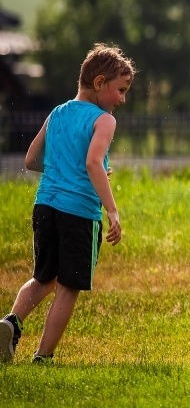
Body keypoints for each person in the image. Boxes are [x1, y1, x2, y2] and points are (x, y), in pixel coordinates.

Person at [0, 43, 136, 363]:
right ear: (100, 83)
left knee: (42, 278)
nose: (122, 99)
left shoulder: (57, 112)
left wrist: (66, 169)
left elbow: (32, 159)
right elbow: (92, 164)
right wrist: (112, 211)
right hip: (79, 212)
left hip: (45, 205)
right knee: (68, 287)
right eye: (120, 90)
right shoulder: (104, 120)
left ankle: (10, 323)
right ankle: (43, 357)